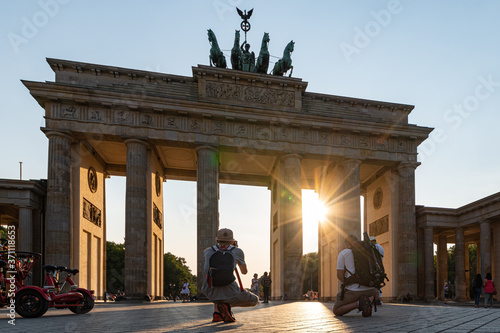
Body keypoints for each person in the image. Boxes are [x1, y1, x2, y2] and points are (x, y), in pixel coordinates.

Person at [202, 228, 258, 323]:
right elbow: (244, 272)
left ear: (217, 240)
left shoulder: (207, 251)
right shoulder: (237, 251)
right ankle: (226, 306)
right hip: (230, 290)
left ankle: (217, 314)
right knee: (254, 300)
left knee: (216, 279)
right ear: (232, 241)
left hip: (209, 290)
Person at [333, 234, 380, 317]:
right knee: (364, 292)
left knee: (336, 310)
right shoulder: (368, 251)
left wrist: (350, 282)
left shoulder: (343, 253)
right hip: (372, 289)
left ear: (346, 244)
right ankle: (368, 299)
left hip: (354, 291)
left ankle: (359, 303)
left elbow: (340, 276)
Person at [369, 236, 384, 304]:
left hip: (376, 268)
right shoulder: (380, 247)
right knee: (378, 283)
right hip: (380, 267)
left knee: (375, 283)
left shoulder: (375, 247)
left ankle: (377, 299)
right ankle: (378, 299)